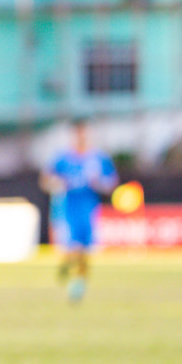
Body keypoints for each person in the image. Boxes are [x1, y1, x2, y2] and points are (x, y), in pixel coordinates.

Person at [41, 120, 118, 304]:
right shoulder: (63, 158)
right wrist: (57, 184)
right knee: (73, 246)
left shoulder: (99, 158)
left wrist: (99, 183)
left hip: (89, 208)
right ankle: (76, 281)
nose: (81, 137)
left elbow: (111, 183)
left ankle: (76, 277)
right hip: (68, 207)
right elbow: (46, 180)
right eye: (78, 133)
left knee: (84, 248)